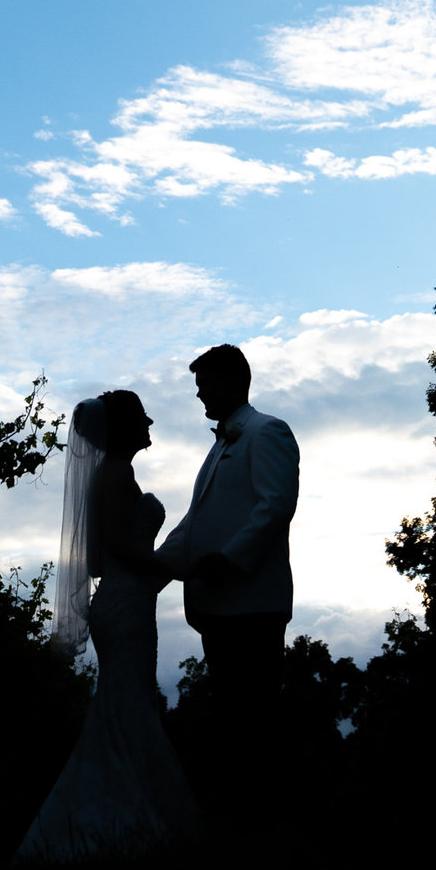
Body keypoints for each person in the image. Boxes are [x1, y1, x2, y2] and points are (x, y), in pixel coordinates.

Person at [16, 390, 202, 863]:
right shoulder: (117, 474)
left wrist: (156, 569)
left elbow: (100, 556)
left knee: (123, 704)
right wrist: (178, 567)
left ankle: (126, 812)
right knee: (129, 704)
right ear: (122, 428)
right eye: (142, 417)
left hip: (123, 601)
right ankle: (132, 822)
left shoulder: (112, 475)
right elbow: (118, 548)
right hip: (125, 606)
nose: (150, 422)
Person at [159, 344, 299, 817]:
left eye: (206, 386)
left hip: (252, 606)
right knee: (229, 723)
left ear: (232, 381)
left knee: (254, 723)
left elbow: (275, 506)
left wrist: (230, 561)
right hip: (215, 609)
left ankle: (261, 827)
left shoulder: (268, 432)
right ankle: (237, 820)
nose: (200, 397)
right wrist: (153, 569)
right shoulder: (220, 446)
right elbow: (195, 521)